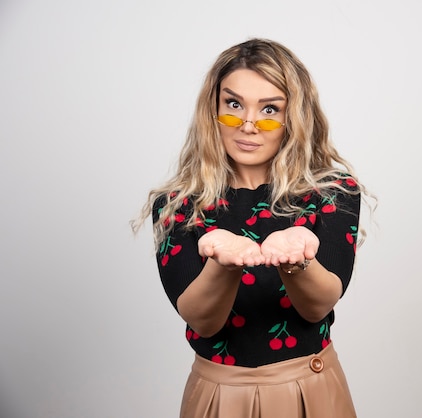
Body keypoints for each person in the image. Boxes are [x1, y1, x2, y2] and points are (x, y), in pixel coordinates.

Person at [132, 38, 374, 418]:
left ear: (293, 116)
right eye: (233, 105)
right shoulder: (178, 204)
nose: (247, 125)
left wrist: (297, 260)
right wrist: (222, 262)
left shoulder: (332, 192)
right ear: (212, 109)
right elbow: (201, 319)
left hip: (310, 391)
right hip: (218, 395)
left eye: (269, 109)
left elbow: (318, 306)